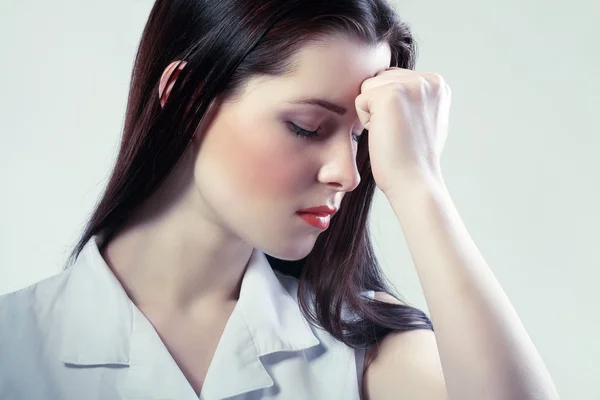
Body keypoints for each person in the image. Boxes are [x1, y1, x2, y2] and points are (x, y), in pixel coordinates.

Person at [0, 0, 561, 399]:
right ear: (186, 98)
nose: (348, 173)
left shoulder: (360, 345)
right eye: (307, 126)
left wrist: (419, 183)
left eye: (362, 138)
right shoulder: (14, 346)